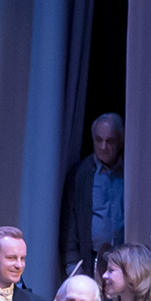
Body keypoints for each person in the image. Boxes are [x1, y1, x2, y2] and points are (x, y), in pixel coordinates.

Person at [64, 113, 126, 267]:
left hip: (125, 259)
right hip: (93, 259)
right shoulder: (81, 174)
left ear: (120, 142)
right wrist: (72, 262)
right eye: (99, 140)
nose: (103, 147)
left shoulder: (130, 172)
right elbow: (70, 223)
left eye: (109, 141)